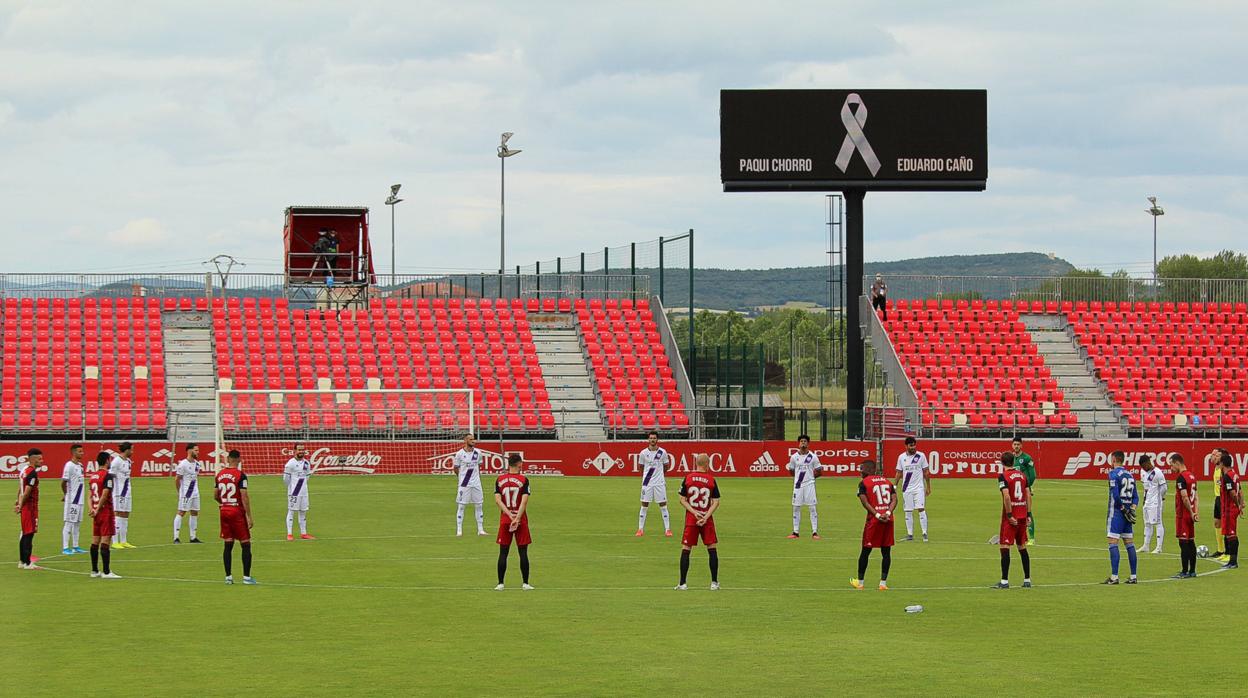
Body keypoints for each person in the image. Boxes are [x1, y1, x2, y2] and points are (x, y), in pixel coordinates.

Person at [675, 454, 721, 591]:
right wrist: (706, 516)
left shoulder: (688, 478)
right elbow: (716, 502)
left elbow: (682, 499)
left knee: (686, 548)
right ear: (707, 465)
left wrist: (694, 512)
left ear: (696, 463)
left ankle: (683, 583)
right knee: (711, 548)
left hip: (691, 518)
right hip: (706, 518)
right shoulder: (711, 480)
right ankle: (714, 582)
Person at [851, 460, 896, 591]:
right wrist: (887, 512)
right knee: (886, 552)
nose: (860, 472)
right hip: (888, 520)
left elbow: (865, 502)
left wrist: (877, 515)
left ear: (869, 470)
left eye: (862, 469)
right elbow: (895, 499)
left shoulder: (863, 483)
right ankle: (883, 583)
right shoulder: (887, 481)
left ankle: (860, 583)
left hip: (874, 522)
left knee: (865, 551)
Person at [215, 450, 256, 585]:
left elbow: (215, 495)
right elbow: (244, 496)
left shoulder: (219, 475)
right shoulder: (240, 475)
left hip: (224, 510)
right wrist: (249, 516)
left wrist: (224, 504)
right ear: (238, 459)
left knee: (228, 544)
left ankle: (228, 577)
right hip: (236, 511)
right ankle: (246, 577)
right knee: (245, 544)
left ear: (228, 459)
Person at [494, 453, 533, 591]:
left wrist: (509, 515)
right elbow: (524, 501)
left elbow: (498, 500)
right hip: (520, 518)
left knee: (503, 552)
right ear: (519, 464)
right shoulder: (524, 479)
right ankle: (525, 583)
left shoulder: (499, 479)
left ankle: (500, 583)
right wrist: (516, 518)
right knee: (523, 552)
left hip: (505, 518)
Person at [994, 452, 1033, 589]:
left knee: (1005, 547)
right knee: (1022, 547)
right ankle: (1027, 580)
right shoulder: (1023, 476)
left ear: (1002, 463)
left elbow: (1006, 496)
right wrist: (1028, 513)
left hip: (1011, 518)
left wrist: (1010, 515)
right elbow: (1028, 494)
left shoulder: (1003, 476)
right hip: (1023, 515)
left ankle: (1004, 581)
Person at [1104, 451, 1139, 585]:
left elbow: (1115, 495)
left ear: (1113, 460)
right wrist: (1132, 509)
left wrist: (1123, 509)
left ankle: (1114, 577)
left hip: (1117, 513)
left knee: (1113, 542)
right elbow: (1136, 496)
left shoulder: (1113, 474)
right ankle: (1133, 576)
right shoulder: (1130, 475)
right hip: (1128, 515)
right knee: (1129, 543)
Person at [88, 451, 121, 579]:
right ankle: (106, 572)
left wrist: (92, 508)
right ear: (107, 461)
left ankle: (94, 571)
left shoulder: (93, 476)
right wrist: (98, 509)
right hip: (105, 512)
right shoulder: (107, 476)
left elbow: (90, 495)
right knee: (105, 541)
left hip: (96, 513)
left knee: (95, 540)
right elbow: (105, 494)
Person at [635, 431, 673, 537]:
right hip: (647, 483)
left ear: (657, 439)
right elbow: (641, 467)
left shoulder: (662, 452)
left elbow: (666, 466)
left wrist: (659, 475)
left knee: (663, 505)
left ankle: (667, 529)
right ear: (648, 439)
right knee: (644, 505)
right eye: (651, 438)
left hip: (659, 483)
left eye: (654, 438)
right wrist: (647, 477)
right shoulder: (643, 453)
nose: (652, 440)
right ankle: (640, 529)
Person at [1168, 454, 1199, 579]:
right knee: (1191, 542)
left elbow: (1185, 497)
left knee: (1183, 543)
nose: (1171, 468)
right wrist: (1196, 512)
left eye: (1171, 465)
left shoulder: (1181, 478)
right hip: (1191, 514)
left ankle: (1184, 571)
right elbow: (1196, 496)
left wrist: (1191, 512)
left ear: (1177, 463)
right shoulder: (1192, 476)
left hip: (1183, 514)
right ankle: (1192, 571)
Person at [894, 436, 931, 542]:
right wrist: (894, 486)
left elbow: (926, 472)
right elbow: (899, 472)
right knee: (908, 511)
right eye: (911, 445)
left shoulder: (921, 456)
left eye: (914, 445)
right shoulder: (901, 457)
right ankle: (910, 534)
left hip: (919, 488)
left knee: (921, 509)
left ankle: (924, 533)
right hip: (906, 488)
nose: (913, 447)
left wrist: (928, 487)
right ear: (906, 446)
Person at [786, 435, 823, 539]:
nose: (803, 443)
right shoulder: (794, 457)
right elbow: (791, 471)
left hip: (810, 486)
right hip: (798, 486)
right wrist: (799, 479)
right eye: (801, 441)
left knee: (812, 507)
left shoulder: (813, 456)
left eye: (805, 441)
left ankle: (815, 532)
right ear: (798, 443)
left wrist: (810, 478)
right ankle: (795, 532)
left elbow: (819, 471)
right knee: (796, 507)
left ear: (808, 443)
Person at [453, 434, 487, 537]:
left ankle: (480, 530)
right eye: (471, 439)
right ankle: (459, 530)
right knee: (462, 506)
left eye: (474, 439)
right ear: (465, 440)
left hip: (476, 483)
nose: (473, 441)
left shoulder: (478, 453)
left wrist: (475, 477)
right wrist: (462, 478)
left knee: (479, 505)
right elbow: (456, 468)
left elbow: (479, 465)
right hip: (464, 483)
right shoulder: (459, 454)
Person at [14, 448, 41, 570]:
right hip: (30, 507)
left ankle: (22, 561)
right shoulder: (32, 473)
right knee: (29, 534)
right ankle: (27, 563)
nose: (42, 461)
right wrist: (21, 504)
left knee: (25, 533)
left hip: (25, 506)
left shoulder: (24, 470)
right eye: (39, 459)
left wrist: (18, 502)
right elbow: (27, 491)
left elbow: (20, 488)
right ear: (32, 459)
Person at [173, 444, 204, 544]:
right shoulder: (182, 464)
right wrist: (179, 492)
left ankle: (193, 537)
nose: (198, 452)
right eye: (196, 450)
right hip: (186, 493)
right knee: (181, 512)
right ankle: (176, 537)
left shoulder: (197, 464)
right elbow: (177, 479)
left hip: (195, 492)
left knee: (194, 512)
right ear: (190, 451)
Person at [283, 444, 314, 541]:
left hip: (304, 492)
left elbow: (307, 476)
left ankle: (304, 533)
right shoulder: (290, 464)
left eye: (302, 450)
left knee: (303, 512)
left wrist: (302, 485)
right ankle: (289, 534)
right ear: (294, 451)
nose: (301, 451)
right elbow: (285, 479)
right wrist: (292, 488)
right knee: (291, 511)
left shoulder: (306, 463)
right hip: (294, 492)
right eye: (299, 450)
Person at [1011, 437, 1038, 544]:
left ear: (1021, 445)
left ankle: (1031, 538)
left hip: (1024, 490)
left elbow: (1033, 475)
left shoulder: (1027, 458)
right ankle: (1018, 536)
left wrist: (1027, 487)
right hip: (1016, 491)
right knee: (1014, 512)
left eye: (1018, 444)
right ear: (1012, 445)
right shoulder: (1012, 458)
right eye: (1014, 444)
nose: (1016, 446)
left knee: (1028, 512)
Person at [1217, 453, 1242, 569]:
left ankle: (1233, 561)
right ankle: (1232, 561)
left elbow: (1232, 492)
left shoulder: (1227, 476)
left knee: (1231, 535)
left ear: (1222, 463)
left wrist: (1238, 505)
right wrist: (1242, 503)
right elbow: (1240, 490)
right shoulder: (1234, 475)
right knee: (1229, 534)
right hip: (1232, 508)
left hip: (1229, 509)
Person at [61, 444, 87, 555]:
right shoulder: (69, 465)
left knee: (77, 523)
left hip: (80, 499)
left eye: (82, 451)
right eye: (80, 451)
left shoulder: (80, 465)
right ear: (74, 452)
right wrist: (66, 494)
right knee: (69, 522)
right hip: (72, 499)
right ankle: (65, 547)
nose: (82, 453)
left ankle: (76, 546)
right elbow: (63, 482)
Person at [1138, 455, 1167, 554]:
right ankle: (1146, 546)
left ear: (1147, 463)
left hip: (1156, 502)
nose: (1143, 468)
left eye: (1143, 466)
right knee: (1147, 523)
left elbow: (1164, 488)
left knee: (1158, 523)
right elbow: (1146, 488)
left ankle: (1159, 547)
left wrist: (1160, 498)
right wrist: (1145, 499)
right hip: (1147, 502)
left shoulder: (1158, 472)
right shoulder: (1145, 473)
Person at [110, 442, 135, 549]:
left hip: (127, 491)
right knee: (117, 514)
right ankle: (115, 541)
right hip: (118, 492)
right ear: (127, 450)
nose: (132, 452)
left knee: (125, 514)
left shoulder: (128, 461)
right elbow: (110, 476)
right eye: (131, 449)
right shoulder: (116, 461)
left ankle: (124, 541)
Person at [1209, 447, 1228, 562]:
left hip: (1223, 498)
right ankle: (1220, 550)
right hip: (1217, 498)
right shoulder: (1216, 468)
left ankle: (1227, 551)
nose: (1213, 457)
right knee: (1217, 523)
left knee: (1225, 525)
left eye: (1216, 455)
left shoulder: (1223, 470)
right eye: (1212, 454)